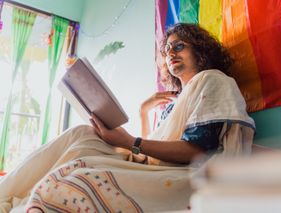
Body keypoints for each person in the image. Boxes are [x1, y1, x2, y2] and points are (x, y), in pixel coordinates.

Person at [0, 23, 255, 213]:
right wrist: (144, 112)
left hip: (184, 175)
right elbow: (150, 152)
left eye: (179, 46)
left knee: (76, 179)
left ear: (200, 50)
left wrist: (129, 140)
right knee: (82, 133)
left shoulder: (212, 80)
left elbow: (196, 149)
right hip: (150, 163)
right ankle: (5, 194)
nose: (170, 54)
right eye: (166, 50)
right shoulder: (175, 102)